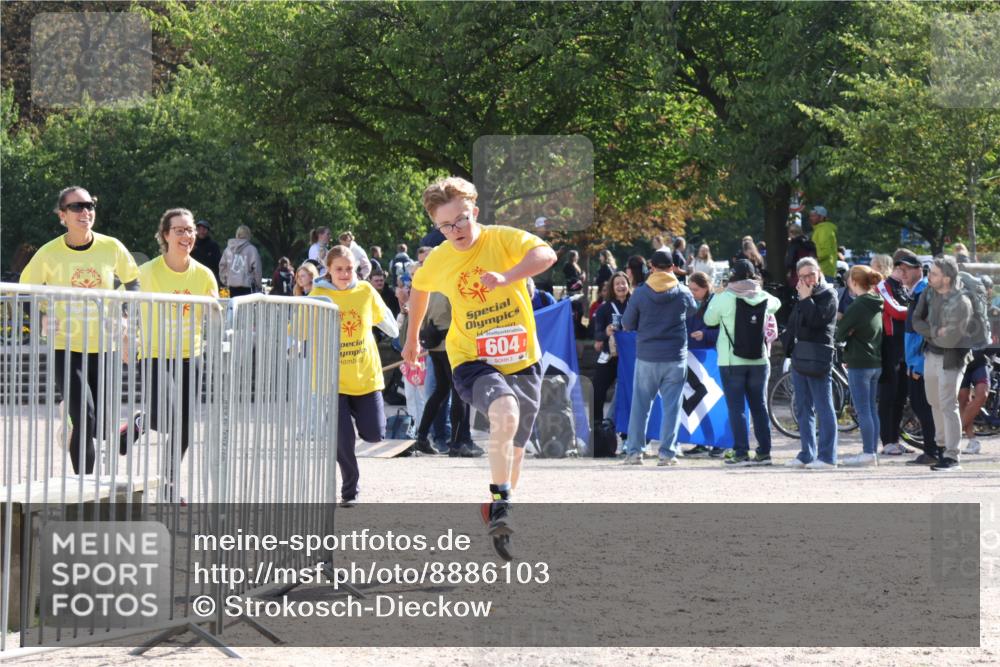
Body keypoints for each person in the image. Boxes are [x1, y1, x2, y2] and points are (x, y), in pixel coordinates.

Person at [402, 176, 557, 561]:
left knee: (516, 451)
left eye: (462, 220)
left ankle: (497, 503)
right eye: (445, 226)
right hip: (473, 357)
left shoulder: (502, 239)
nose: (455, 231)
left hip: (521, 357)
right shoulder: (439, 257)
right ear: (437, 226)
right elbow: (420, 287)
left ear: (475, 211)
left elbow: (546, 255)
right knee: (504, 414)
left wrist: (507, 276)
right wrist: (411, 338)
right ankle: (501, 507)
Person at [19, 186, 141, 475]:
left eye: (90, 205)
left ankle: (80, 425)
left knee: (102, 425)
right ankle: (86, 491)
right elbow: (23, 292)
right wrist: (40, 319)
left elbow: (133, 280)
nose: (85, 211)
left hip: (106, 348)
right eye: (76, 207)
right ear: (62, 215)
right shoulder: (49, 254)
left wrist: (125, 314)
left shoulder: (111, 247)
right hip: (67, 347)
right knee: (85, 416)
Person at [121, 209, 219, 497]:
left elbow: (214, 315)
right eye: (179, 230)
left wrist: (215, 309)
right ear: (165, 234)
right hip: (155, 354)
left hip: (192, 356)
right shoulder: (148, 272)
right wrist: (127, 336)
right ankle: (142, 421)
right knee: (170, 417)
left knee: (185, 427)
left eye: (189, 230)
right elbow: (126, 307)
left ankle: (169, 484)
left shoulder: (203, 275)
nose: (186, 236)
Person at [310, 245, 399, 505]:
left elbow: (388, 324)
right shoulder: (318, 296)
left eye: (349, 268)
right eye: (339, 269)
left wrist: (397, 329)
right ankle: (350, 491)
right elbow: (298, 330)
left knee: (374, 433)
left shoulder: (365, 291)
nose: (345, 273)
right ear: (329, 270)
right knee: (343, 441)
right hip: (332, 381)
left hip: (365, 377)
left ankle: (358, 424)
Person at [621, 251, 698, 466]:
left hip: (647, 356)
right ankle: (667, 453)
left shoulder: (640, 293)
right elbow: (693, 310)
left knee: (640, 407)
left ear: (651, 266)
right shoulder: (682, 291)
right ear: (672, 267)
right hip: (675, 356)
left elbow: (627, 324)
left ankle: (635, 452)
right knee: (672, 408)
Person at [703, 260, 781, 466]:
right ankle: (764, 452)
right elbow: (777, 304)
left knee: (736, 407)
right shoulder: (764, 296)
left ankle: (741, 452)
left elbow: (709, 320)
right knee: (760, 406)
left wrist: (718, 293)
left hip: (731, 361)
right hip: (759, 359)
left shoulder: (724, 297)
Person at [912, 257, 973, 471]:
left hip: (952, 356)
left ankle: (952, 455)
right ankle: (941, 446)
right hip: (931, 353)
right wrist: (934, 331)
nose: (930, 276)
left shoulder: (962, 301)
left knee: (948, 404)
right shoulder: (928, 293)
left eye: (935, 273)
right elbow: (916, 320)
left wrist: (934, 331)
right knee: (934, 401)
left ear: (947, 278)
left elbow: (952, 336)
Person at [410, 291, 481, 458]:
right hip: (452, 345)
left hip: (435, 345)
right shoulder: (450, 289)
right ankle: (458, 443)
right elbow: (463, 317)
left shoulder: (430, 290)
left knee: (441, 391)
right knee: (459, 392)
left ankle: (422, 436)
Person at [784, 257, 839, 469]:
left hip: (818, 358)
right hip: (800, 356)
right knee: (802, 407)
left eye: (811, 274)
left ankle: (827, 457)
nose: (808, 279)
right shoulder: (802, 295)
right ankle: (807, 453)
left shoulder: (828, 295)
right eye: (803, 276)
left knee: (824, 407)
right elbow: (795, 324)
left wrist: (806, 299)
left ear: (819, 273)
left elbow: (817, 321)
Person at [836, 266, 885, 466]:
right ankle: (872, 452)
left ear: (853, 283)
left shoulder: (858, 304)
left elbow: (840, 333)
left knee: (863, 410)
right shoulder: (876, 301)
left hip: (859, 362)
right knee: (871, 410)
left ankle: (867, 453)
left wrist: (848, 330)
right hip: (875, 361)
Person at [899, 249, 939, 466]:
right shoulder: (915, 292)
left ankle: (933, 450)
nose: (902, 272)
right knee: (921, 405)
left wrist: (918, 363)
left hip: (921, 361)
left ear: (918, 269)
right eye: (899, 268)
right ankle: (933, 449)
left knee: (923, 405)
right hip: (915, 360)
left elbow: (927, 331)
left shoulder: (923, 291)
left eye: (906, 268)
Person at [682, 271, 725, 458]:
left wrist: (705, 335)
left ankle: (719, 442)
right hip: (693, 356)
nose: (692, 293)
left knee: (714, 402)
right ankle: (702, 440)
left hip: (710, 359)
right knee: (697, 401)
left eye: (696, 289)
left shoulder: (715, 303)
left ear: (706, 288)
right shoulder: (689, 303)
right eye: (690, 289)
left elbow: (723, 331)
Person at [875, 256, 912, 456]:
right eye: (903, 269)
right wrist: (915, 311)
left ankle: (895, 439)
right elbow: (895, 311)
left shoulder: (905, 288)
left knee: (900, 396)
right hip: (889, 346)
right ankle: (886, 440)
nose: (906, 274)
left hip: (905, 346)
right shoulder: (883, 285)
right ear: (895, 268)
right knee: (888, 395)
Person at [592, 271, 631, 425]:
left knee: (627, 393)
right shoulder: (604, 308)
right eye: (617, 284)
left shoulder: (636, 304)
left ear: (628, 285)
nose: (621, 286)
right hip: (610, 356)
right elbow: (597, 335)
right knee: (597, 391)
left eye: (623, 283)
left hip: (629, 358)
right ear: (611, 288)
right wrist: (605, 333)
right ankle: (597, 426)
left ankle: (625, 431)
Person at [958, 350, 989, 455]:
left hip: (981, 360)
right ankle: (972, 441)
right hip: (961, 361)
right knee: (963, 400)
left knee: (982, 394)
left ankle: (954, 433)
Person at [219, 225, 262, 296]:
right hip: (246, 286)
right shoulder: (252, 250)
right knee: (245, 307)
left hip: (232, 286)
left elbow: (222, 266)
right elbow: (257, 269)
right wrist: (258, 284)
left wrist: (225, 281)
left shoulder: (228, 249)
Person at [809, 205, 838, 282]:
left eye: (814, 216)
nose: (811, 218)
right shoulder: (820, 229)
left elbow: (825, 251)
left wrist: (811, 260)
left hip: (824, 270)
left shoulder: (824, 229)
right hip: (822, 269)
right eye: (810, 216)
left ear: (821, 217)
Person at [785, 224, 817, 289]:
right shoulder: (810, 244)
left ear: (791, 233)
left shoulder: (793, 244)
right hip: (811, 277)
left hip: (797, 277)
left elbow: (789, 262)